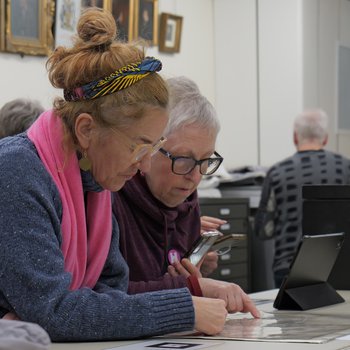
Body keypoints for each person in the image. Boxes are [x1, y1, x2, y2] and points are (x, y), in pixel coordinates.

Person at [0, 8, 228, 341]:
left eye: (153, 148)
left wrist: (88, 312)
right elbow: (54, 312)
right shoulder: (17, 173)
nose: (145, 165)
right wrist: (183, 310)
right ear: (87, 129)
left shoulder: (93, 177)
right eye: (139, 147)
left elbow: (111, 289)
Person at [113, 76, 260, 318]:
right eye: (183, 158)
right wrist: (192, 288)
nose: (194, 176)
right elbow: (104, 296)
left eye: (205, 161)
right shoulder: (111, 196)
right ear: (150, 147)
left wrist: (194, 277)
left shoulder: (186, 197)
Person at [254, 108, 350, 287]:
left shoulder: (276, 173)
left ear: (295, 137)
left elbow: (262, 230)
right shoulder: (345, 168)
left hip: (289, 269)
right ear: (326, 138)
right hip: (337, 267)